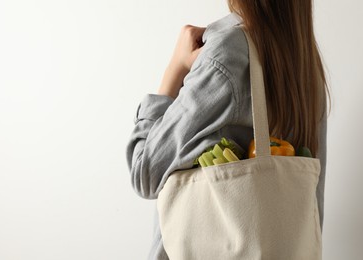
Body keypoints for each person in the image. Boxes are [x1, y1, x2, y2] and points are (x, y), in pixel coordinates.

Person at [126, 1, 331, 259]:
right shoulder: (306, 65)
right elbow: (310, 213)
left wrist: (175, 68)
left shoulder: (227, 53)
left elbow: (144, 172)